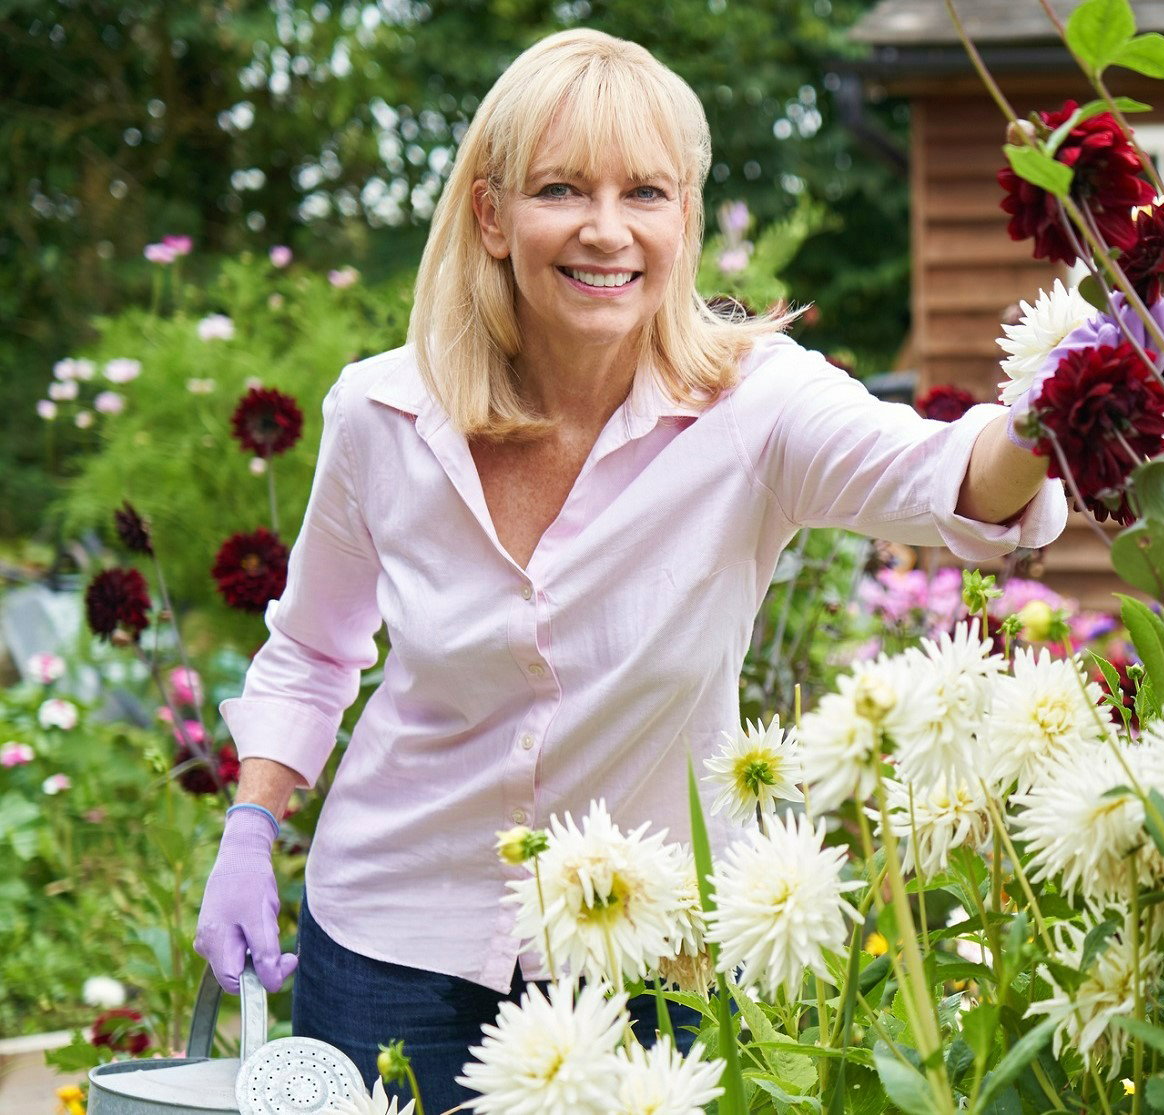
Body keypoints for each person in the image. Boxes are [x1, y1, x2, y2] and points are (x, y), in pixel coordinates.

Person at [191, 27, 1066, 1113]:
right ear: (492, 215)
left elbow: (950, 477)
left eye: (645, 192)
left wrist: (1054, 400)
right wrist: (250, 826)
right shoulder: (382, 410)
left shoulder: (756, 406)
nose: (608, 232)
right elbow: (316, 647)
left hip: (649, 954)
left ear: (685, 220)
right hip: (388, 934)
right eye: (563, 188)